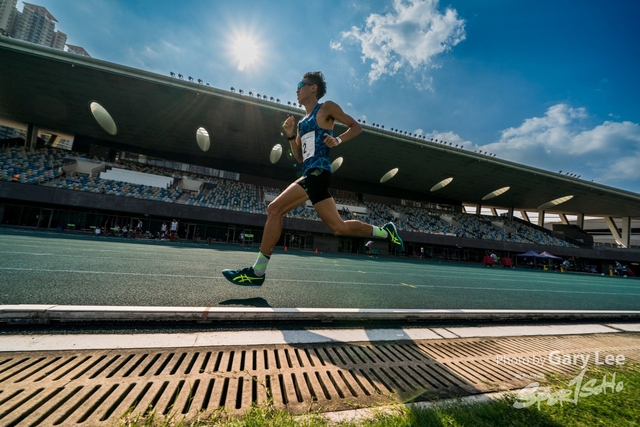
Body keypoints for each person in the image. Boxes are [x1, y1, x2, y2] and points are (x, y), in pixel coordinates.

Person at [222, 71, 404, 286]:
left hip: (318, 172)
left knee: (274, 209)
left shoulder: (326, 108)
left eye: (301, 84)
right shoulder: (301, 123)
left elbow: (356, 127)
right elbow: (299, 156)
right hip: (311, 173)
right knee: (339, 227)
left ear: (313, 88)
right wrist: (291, 135)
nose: (297, 89)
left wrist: (337, 139)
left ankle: (257, 272)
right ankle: (385, 232)